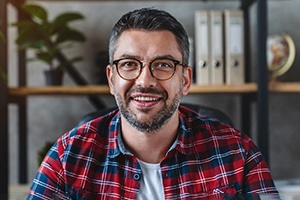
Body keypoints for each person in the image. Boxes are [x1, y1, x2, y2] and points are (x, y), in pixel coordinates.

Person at [27, 7, 279, 199]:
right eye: (129, 64)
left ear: (185, 80)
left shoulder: (238, 153)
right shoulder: (67, 157)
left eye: (163, 65)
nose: (145, 80)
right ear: (111, 79)